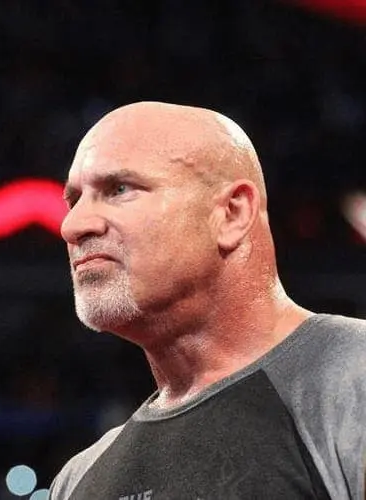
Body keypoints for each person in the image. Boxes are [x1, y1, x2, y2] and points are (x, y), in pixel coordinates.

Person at [50, 101, 366, 499]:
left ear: (232, 213)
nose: (73, 225)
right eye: (74, 200)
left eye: (119, 189)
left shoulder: (355, 379)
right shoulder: (77, 481)